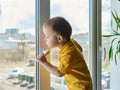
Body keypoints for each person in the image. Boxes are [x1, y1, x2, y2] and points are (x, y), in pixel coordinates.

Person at [36, 17, 92, 90]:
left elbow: (59, 73)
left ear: (59, 38)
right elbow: (80, 49)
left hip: (80, 87)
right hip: (84, 84)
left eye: (47, 37)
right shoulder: (71, 43)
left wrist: (44, 62)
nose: (45, 39)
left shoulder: (69, 53)